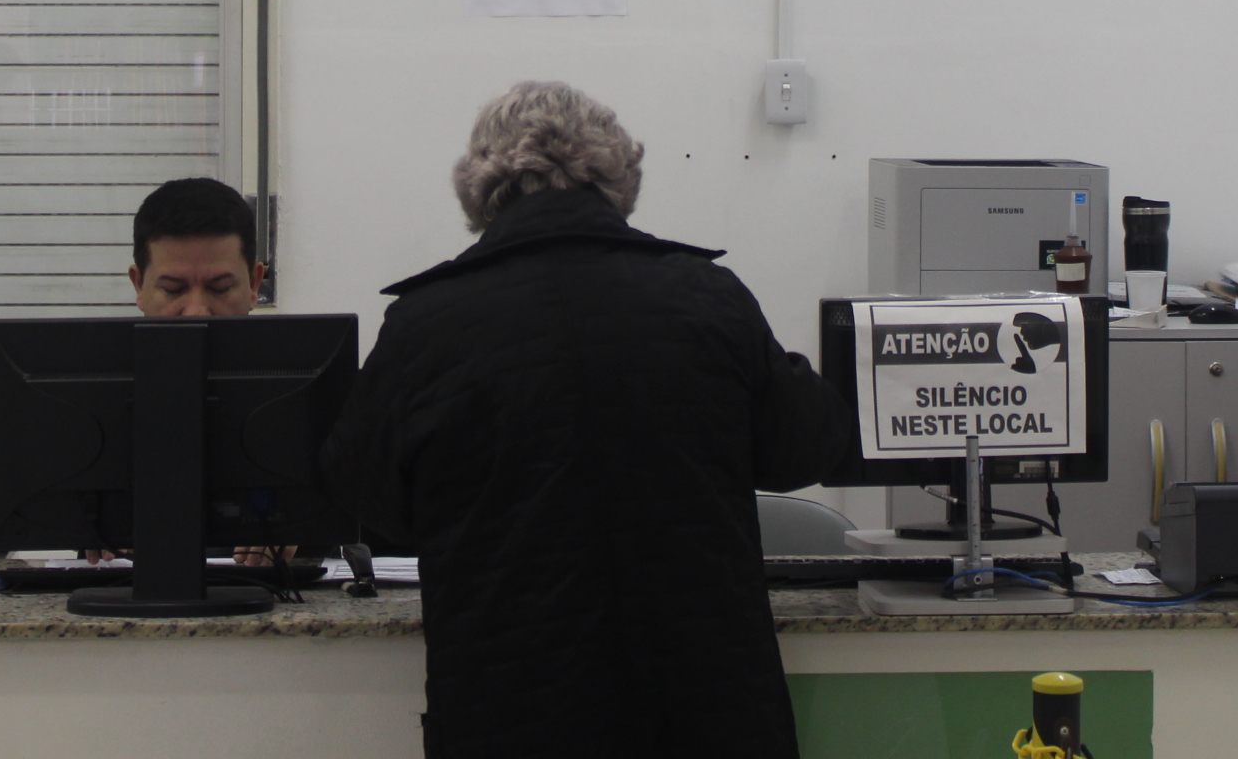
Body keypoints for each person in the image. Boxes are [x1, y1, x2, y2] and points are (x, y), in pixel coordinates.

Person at [320, 81, 853, 759]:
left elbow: (367, 499)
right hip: (705, 714)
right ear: (618, 175)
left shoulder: (423, 323)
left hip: (510, 714)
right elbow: (807, 449)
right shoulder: (707, 297)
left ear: (480, 189)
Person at [0, 176, 264, 546]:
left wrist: (303, 532)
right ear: (139, 285)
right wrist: (94, 516)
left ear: (254, 284)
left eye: (220, 288)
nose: (195, 311)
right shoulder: (85, 374)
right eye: (173, 289)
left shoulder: (298, 373)